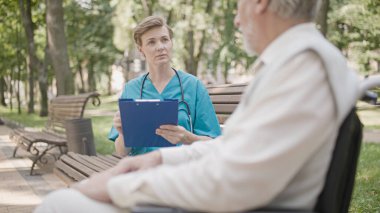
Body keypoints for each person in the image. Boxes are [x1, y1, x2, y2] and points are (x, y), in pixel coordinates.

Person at [35, 0, 359, 212]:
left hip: (223, 200)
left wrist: (124, 185)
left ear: (260, 3)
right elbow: (235, 150)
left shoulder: (302, 68)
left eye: (239, 5)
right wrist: (155, 159)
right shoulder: (296, 63)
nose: (235, 17)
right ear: (141, 48)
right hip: (207, 188)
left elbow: (230, 180)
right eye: (152, 42)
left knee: (58, 204)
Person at [108, 16, 221, 156]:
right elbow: (121, 153)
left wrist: (188, 138)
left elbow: (214, 145)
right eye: (151, 42)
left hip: (181, 168)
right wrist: (123, 133)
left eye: (164, 40)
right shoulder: (131, 89)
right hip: (142, 169)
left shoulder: (194, 86)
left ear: (171, 43)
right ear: (141, 50)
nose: (160, 47)